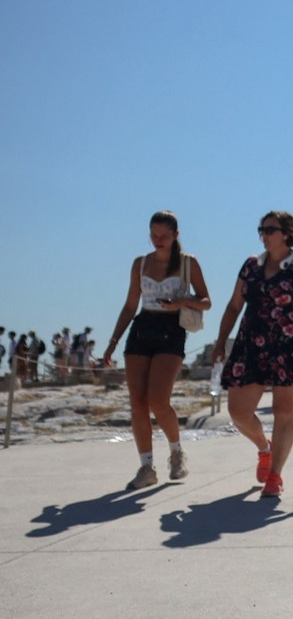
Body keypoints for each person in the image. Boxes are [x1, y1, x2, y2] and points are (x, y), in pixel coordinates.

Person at [212, 211, 293, 498]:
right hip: (251, 342)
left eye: (269, 229)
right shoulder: (251, 266)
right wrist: (220, 342)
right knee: (238, 412)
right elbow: (233, 306)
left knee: (283, 410)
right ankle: (264, 448)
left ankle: (275, 475)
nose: (263, 234)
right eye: (261, 230)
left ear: (287, 233)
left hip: (289, 344)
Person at [102, 210, 212, 490]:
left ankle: (176, 452)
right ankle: (146, 466)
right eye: (153, 235)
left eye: (163, 235)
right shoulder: (140, 263)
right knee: (137, 403)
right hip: (142, 329)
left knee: (158, 399)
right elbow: (130, 306)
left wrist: (182, 301)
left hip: (171, 331)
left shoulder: (188, 263)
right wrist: (112, 343)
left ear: (176, 235)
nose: (158, 240)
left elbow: (206, 301)